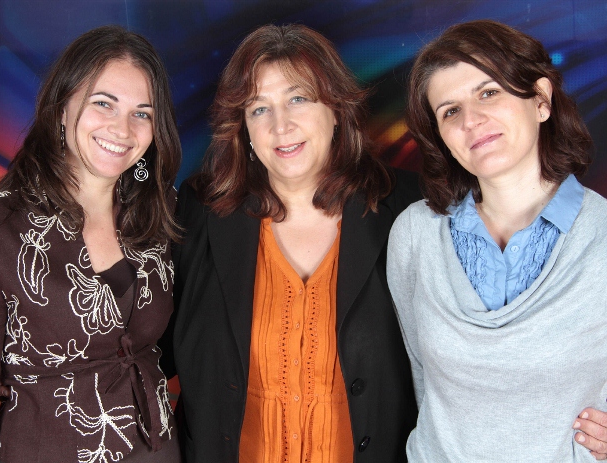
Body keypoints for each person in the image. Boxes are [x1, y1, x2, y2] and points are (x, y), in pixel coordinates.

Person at [161, 24, 420, 462]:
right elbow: (147, 344)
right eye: (259, 108)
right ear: (243, 127)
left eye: (298, 99)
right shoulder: (200, 210)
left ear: (336, 110)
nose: (281, 125)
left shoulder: (408, 208)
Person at [387, 19, 607, 462]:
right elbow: (423, 380)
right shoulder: (415, 234)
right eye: (450, 111)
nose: (471, 120)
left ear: (541, 99)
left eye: (488, 93)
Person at [0, 25, 182, 461]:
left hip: (158, 449)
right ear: (61, 108)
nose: (122, 129)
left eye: (142, 113)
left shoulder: (161, 210)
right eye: (103, 103)